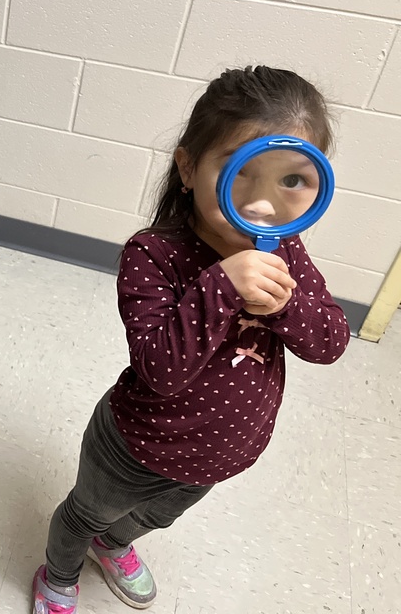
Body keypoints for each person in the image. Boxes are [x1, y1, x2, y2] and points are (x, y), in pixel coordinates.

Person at [32, 67, 350, 614]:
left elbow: (330, 342)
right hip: (136, 445)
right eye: (241, 172)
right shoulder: (154, 255)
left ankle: (114, 547)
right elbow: (160, 372)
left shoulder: (288, 251)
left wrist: (287, 305)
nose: (264, 205)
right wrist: (221, 287)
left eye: (292, 180)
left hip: (223, 452)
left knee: (157, 516)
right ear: (188, 167)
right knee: (85, 515)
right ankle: (58, 576)